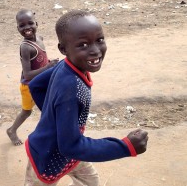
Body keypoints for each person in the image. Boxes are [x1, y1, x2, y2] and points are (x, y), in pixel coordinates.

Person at [24, 10, 149, 185]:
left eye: (99, 40)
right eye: (83, 45)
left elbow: (36, 84)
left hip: (72, 153)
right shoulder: (72, 89)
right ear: (63, 49)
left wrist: (53, 117)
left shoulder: (66, 64)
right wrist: (126, 146)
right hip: (47, 156)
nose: (95, 50)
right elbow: (70, 146)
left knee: (90, 181)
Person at [7, 9, 59, 146]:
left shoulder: (40, 39)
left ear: (36, 24)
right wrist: (48, 68)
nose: (27, 28)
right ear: (17, 28)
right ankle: (12, 130)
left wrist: (49, 63)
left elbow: (41, 60)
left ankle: (52, 133)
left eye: (30, 23)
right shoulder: (25, 47)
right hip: (29, 86)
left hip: (42, 82)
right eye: (22, 25)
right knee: (26, 112)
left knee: (49, 107)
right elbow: (28, 74)